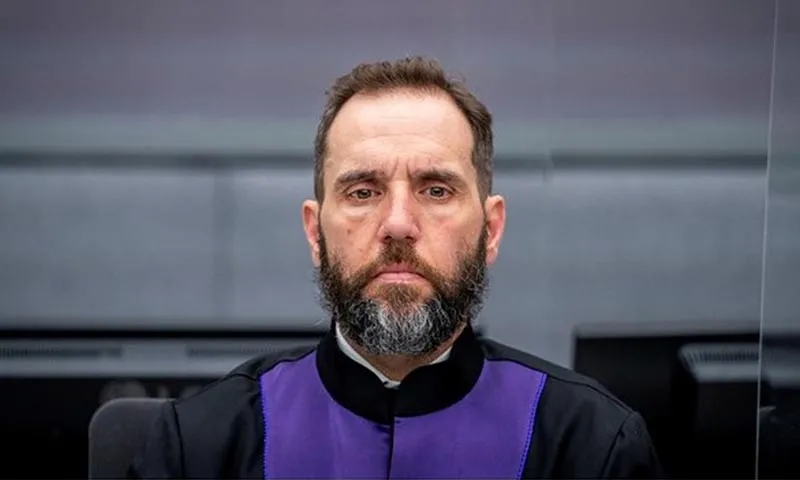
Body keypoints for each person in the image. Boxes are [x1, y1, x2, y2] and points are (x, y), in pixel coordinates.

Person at [128, 55, 664, 479]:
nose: (399, 224)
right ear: (315, 232)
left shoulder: (592, 447)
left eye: (436, 190)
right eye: (363, 192)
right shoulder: (198, 448)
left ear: (491, 229)